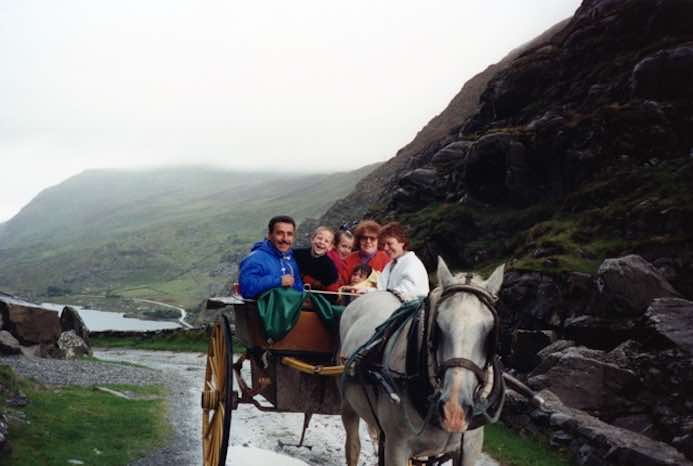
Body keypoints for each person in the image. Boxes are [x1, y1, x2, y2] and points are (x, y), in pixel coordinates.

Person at [238, 215, 304, 299]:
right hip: (263, 311)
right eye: (280, 233)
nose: (285, 239)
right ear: (269, 235)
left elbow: (299, 290)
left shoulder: (290, 259)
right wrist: (278, 281)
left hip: (289, 310)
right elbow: (246, 290)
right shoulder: (255, 259)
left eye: (289, 234)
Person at [375, 222, 429, 301]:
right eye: (383, 245)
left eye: (389, 243)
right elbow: (380, 288)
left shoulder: (413, 264)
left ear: (402, 242)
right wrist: (365, 291)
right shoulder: (390, 265)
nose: (385, 248)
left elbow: (405, 291)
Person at [340, 220, 390, 285]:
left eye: (372, 238)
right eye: (364, 238)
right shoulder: (348, 259)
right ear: (359, 240)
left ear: (379, 241)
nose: (368, 241)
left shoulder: (386, 259)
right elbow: (341, 283)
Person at [294, 226, 338, 290]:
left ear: (330, 247)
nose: (322, 242)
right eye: (319, 238)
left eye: (326, 241)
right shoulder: (297, 254)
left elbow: (328, 287)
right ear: (312, 239)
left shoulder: (330, 267)